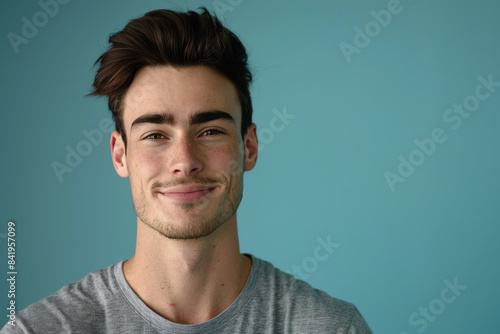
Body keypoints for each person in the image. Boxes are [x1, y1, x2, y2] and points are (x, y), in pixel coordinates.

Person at [1, 8, 372, 333]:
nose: (184, 160)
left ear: (250, 147)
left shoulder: (332, 328)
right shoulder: (41, 330)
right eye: (155, 134)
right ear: (120, 155)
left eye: (210, 131)